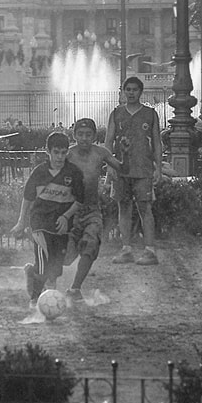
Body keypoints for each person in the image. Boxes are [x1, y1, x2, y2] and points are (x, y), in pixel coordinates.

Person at [10, 131, 85, 308]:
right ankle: (35, 299)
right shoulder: (39, 173)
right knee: (44, 262)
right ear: (48, 152)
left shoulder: (73, 173)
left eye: (63, 152)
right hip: (39, 223)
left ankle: (33, 273)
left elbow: (80, 200)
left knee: (56, 265)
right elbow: (27, 198)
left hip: (61, 225)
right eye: (56, 152)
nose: (60, 157)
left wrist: (66, 216)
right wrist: (21, 222)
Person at [63, 118, 123, 303]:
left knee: (90, 246)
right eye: (80, 134)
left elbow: (122, 168)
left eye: (88, 134)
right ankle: (37, 273)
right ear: (74, 136)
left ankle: (75, 289)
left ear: (94, 136)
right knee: (66, 257)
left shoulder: (101, 153)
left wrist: (126, 152)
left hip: (92, 211)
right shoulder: (68, 154)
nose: (84, 138)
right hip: (70, 211)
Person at [105, 76, 162, 266]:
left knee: (145, 208)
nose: (131, 93)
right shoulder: (116, 113)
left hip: (144, 169)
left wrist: (159, 168)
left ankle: (150, 250)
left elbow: (156, 143)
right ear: (122, 91)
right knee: (123, 208)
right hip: (121, 169)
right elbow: (108, 142)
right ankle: (126, 248)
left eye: (134, 89)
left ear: (140, 91)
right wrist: (109, 167)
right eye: (127, 89)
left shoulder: (150, 114)